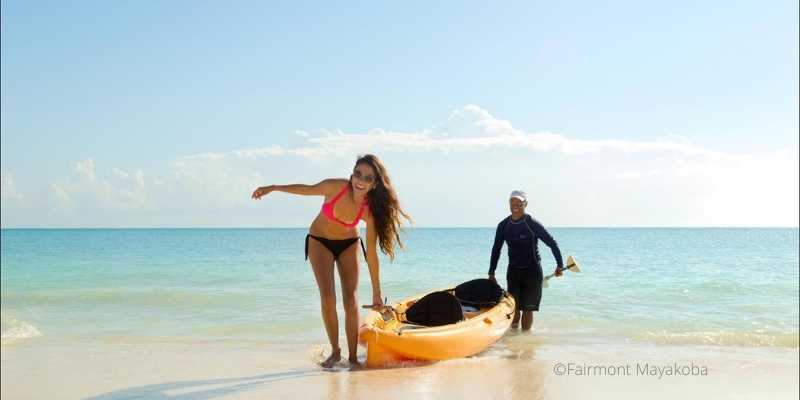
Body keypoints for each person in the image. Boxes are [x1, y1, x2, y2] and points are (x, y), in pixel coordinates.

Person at [251, 154, 411, 368]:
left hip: (348, 244)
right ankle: (335, 352)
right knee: (327, 298)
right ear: (351, 174)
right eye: (357, 174)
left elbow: (371, 254)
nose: (360, 181)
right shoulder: (335, 187)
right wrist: (273, 187)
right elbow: (305, 189)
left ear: (375, 184)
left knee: (351, 301)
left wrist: (376, 292)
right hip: (320, 241)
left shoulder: (369, 212)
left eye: (368, 178)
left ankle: (353, 358)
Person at [488, 190, 563, 330]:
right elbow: (496, 249)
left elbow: (552, 243)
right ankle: (514, 345)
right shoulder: (503, 225)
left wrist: (559, 265)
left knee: (528, 310)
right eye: (512, 202)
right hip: (514, 272)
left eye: (519, 202)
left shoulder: (531, 223)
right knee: (514, 307)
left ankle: (527, 346)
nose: (515, 205)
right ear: (509, 204)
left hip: (532, 272)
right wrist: (491, 272)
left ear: (525, 204)